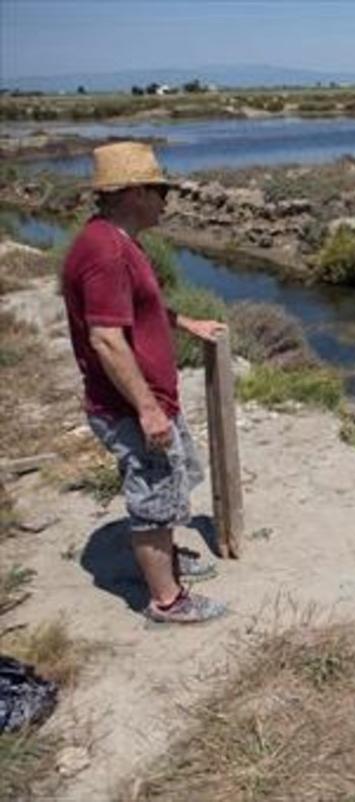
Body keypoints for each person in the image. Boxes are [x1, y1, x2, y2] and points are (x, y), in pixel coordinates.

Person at [61, 141, 227, 624]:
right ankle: (168, 600)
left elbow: (136, 309)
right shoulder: (106, 252)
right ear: (133, 192)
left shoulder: (114, 241)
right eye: (159, 189)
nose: (165, 199)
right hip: (131, 406)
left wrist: (183, 321)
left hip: (147, 400)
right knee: (153, 496)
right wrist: (148, 409)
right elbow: (107, 339)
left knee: (171, 482)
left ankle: (168, 561)